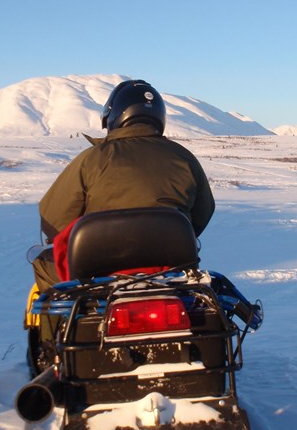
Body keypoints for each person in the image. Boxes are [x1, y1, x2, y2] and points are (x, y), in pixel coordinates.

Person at [31, 79, 215, 293]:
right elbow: (203, 212)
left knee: (44, 265)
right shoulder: (184, 157)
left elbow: (54, 216)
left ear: (113, 116)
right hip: (171, 266)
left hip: (98, 267)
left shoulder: (92, 159)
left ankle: (57, 325)